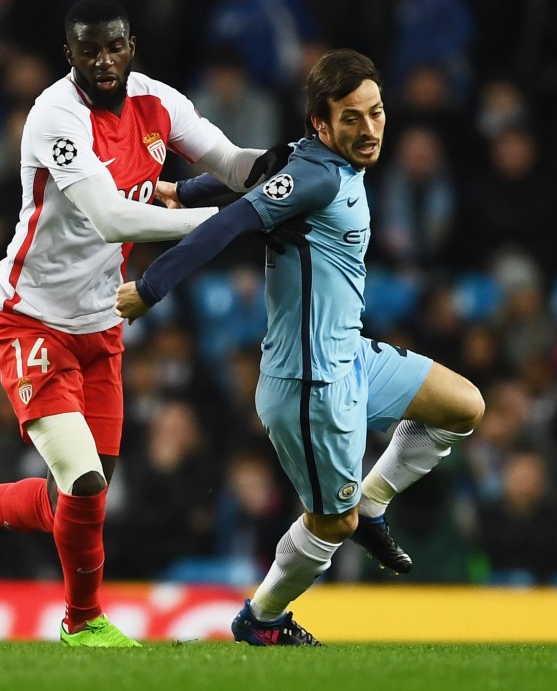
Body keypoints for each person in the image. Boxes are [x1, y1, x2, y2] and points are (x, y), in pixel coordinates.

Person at [0, 0, 290, 648]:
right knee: (80, 479)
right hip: (28, 318)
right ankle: (82, 622)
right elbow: (113, 218)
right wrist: (231, 223)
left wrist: (291, 167)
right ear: (70, 55)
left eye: (114, 46)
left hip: (100, 324)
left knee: (81, 499)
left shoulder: (159, 103)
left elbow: (229, 163)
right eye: (89, 49)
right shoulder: (54, 116)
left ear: (131, 44)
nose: (103, 61)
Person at [115, 49, 485, 645]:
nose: (368, 131)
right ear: (321, 122)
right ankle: (261, 618)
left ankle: (372, 502)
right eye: (351, 119)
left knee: (463, 406)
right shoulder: (316, 174)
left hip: (351, 356)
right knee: (329, 523)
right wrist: (151, 288)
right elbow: (233, 220)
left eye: (377, 113)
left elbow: (253, 173)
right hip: (309, 384)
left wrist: (182, 189)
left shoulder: (303, 158)